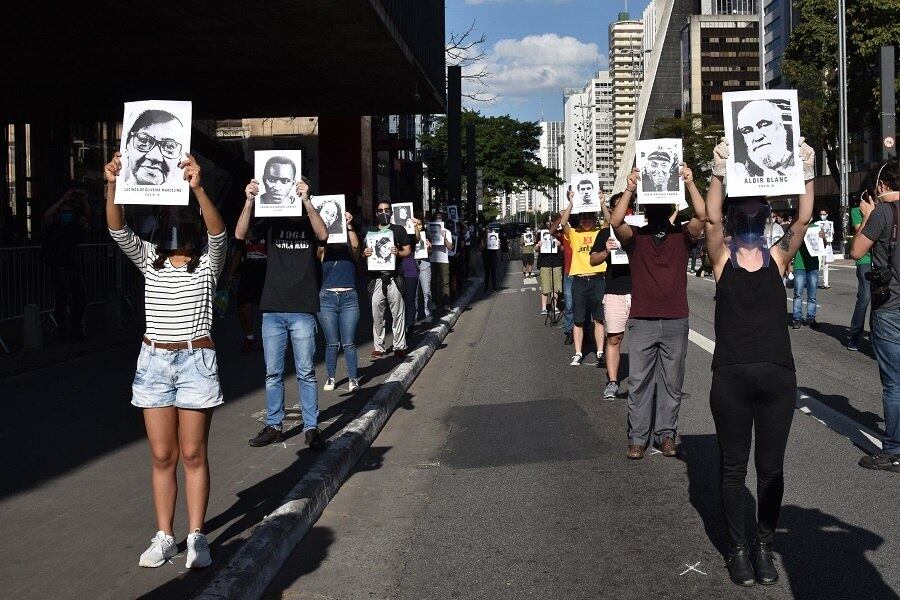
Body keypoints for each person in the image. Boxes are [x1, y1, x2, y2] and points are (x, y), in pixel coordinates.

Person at [104, 151, 225, 569]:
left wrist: (198, 188)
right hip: (154, 362)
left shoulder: (208, 265)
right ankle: (164, 536)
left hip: (196, 361)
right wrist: (113, 182)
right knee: (161, 456)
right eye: (168, 218)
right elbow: (116, 228)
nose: (175, 226)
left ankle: (197, 536)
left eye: (181, 218)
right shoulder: (150, 261)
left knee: (193, 453)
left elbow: (219, 233)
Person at [705, 137, 816, 587]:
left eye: (758, 211)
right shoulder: (720, 259)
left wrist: (806, 167)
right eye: (743, 211)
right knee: (733, 469)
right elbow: (709, 218)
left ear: (768, 218)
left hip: (777, 380)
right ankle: (736, 549)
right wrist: (718, 170)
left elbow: (805, 215)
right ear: (735, 218)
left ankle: (764, 545)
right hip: (730, 379)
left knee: (771, 471)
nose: (751, 217)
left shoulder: (778, 257)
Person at [609, 163, 706, 460]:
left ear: (670, 209)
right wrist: (629, 187)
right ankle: (637, 438)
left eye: (662, 207)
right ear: (646, 211)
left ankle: (666, 434)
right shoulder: (635, 238)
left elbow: (704, 216)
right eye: (653, 207)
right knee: (639, 382)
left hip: (676, 318)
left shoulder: (682, 236)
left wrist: (689, 182)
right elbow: (615, 221)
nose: (657, 213)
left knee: (671, 383)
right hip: (642, 320)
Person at [238, 177, 329, 449]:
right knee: (273, 372)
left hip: (302, 308)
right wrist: (250, 200)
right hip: (273, 309)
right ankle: (274, 425)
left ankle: (312, 428)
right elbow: (241, 234)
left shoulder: (309, 217)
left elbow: (323, 235)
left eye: (299, 187)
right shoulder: (271, 220)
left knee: (305, 372)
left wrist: (307, 201)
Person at [851, 159, 900, 473]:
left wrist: (867, 218)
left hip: (890, 305)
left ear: (881, 186)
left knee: (894, 383)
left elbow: (857, 251)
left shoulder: (882, 212)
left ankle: (894, 450)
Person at [551, 199, 607, 367]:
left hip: (598, 278)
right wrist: (571, 203)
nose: (587, 221)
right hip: (579, 280)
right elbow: (563, 222)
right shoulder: (574, 234)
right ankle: (578, 353)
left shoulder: (599, 232)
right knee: (579, 320)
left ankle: (600, 352)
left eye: (590, 218)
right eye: (584, 218)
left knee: (599, 319)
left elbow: (609, 220)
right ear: (580, 219)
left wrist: (602, 202)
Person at [591, 193, 631, 399]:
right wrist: (606, 251)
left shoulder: (639, 231)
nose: (624, 210)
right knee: (614, 337)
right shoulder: (605, 233)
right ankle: (613, 382)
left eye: (627, 206)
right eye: (617, 207)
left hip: (640, 291)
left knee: (647, 339)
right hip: (615, 291)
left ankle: (643, 380)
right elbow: (593, 261)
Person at [318, 211, 361, 392]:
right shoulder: (324, 247)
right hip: (327, 298)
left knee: (349, 342)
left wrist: (349, 226)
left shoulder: (348, 247)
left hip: (349, 298)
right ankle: (331, 377)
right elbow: (319, 252)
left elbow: (357, 248)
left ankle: (353, 378)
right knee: (332, 343)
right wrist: (324, 230)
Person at [363, 201, 412, 358]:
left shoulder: (399, 230)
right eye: (380, 210)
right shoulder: (370, 231)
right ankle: (379, 346)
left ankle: (399, 345)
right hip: (377, 279)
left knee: (398, 313)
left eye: (386, 210)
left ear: (391, 212)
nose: (383, 212)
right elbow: (363, 255)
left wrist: (397, 252)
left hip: (394, 277)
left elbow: (407, 252)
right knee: (377, 314)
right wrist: (366, 254)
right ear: (376, 213)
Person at [43, 189, 90, 341]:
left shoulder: (74, 226)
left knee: (80, 299)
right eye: (64, 212)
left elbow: (87, 216)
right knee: (61, 301)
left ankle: (76, 329)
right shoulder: (54, 226)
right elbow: (47, 215)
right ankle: (63, 331)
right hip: (60, 267)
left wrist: (83, 200)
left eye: (69, 212)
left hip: (73, 267)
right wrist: (63, 200)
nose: (67, 214)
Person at [226, 223, 267, 352]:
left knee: (267, 309)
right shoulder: (243, 227)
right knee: (244, 306)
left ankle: (271, 338)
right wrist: (230, 276)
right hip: (248, 271)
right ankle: (250, 338)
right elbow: (238, 253)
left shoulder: (269, 225)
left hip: (267, 271)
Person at [733, 99, 796, 178]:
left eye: (764, 125)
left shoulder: (799, 165)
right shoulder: (739, 173)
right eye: (747, 131)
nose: (757, 137)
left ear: (781, 125)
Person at [123, 110, 185, 186]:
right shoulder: (118, 192)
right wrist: (112, 184)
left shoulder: (182, 195)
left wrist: (197, 188)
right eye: (144, 140)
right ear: (127, 146)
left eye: (169, 146)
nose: (154, 157)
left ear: (179, 157)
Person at [847, 182, 874, 351]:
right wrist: (866, 217)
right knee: (865, 297)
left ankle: (875, 335)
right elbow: (859, 234)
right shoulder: (857, 212)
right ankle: (854, 335)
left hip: (879, 260)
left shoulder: (881, 210)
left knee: (880, 299)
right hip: (864, 259)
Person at [791, 221, 820, 329]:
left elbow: (824, 245)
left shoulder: (816, 227)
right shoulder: (796, 227)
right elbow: (789, 245)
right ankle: (797, 318)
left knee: (812, 294)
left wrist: (823, 238)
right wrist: (789, 264)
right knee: (798, 294)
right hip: (799, 264)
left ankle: (810, 318)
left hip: (813, 265)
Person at [535, 221, 563, 315]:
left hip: (556, 262)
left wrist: (559, 245)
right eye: (548, 223)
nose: (550, 224)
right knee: (545, 286)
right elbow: (535, 248)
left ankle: (554, 306)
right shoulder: (541, 234)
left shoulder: (559, 234)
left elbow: (563, 248)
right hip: (544, 262)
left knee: (556, 286)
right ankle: (544, 307)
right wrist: (539, 246)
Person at [428, 211, 454, 317]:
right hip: (432, 259)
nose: (438, 219)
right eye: (436, 217)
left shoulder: (447, 231)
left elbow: (450, 246)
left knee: (445, 282)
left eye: (440, 217)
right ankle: (435, 302)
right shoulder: (430, 230)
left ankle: (446, 303)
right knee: (433, 282)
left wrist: (444, 237)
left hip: (443, 259)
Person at [413, 215, 433, 322]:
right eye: (416, 224)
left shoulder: (426, 235)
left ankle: (428, 313)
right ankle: (414, 315)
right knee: (414, 293)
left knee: (426, 291)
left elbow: (431, 252)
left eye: (420, 224)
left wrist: (429, 247)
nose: (418, 226)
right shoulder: (410, 235)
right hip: (413, 264)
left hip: (424, 263)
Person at [816, 209, 834, 288]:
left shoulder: (830, 224)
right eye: (821, 214)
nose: (822, 216)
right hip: (819, 246)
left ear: (827, 214)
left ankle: (825, 283)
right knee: (818, 264)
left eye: (824, 214)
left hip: (827, 246)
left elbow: (831, 234)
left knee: (826, 265)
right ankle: (814, 282)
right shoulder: (817, 224)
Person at [482, 226, 501, 292]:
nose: (488, 233)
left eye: (489, 232)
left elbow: (498, 248)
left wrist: (498, 242)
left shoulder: (494, 238)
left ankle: (494, 287)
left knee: (493, 273)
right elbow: (481, 248)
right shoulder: (483, 239)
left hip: (493, 257)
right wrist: (486, 241)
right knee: (487, 273)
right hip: (486, 258)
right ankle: (486, 288)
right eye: (487, 232)